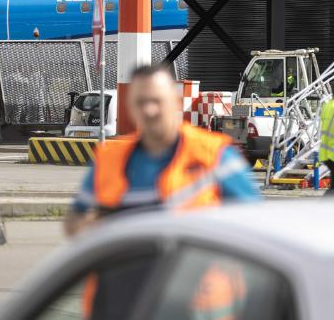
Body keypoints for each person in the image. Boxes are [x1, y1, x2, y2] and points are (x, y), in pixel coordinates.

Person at [64, 64, 259, 319]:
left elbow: (257, 228)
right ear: (131, 107)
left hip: (195, 305)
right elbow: (75, 221)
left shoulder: (216, 157)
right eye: (141, 102)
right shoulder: (108, 159)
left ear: (175, 103)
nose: (149, 110)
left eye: (156, 101)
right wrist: (97, 225)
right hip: (119, 304)